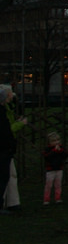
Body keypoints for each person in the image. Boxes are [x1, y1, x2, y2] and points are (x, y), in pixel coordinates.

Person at [0, 84, 27, 214]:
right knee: (6, 174)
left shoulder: (7, 108)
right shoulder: (2, 110)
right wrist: (20, 124)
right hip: (4, 147)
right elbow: (7, 129)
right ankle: (8, 202)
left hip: (7, 146)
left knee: (10, 174)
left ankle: (12, 202)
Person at [43, 131, 68, 204]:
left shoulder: (61, 148)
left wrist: (60, 151)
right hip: (50, 169)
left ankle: (58, 198)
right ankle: (46, 199)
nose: (56, 142)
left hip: (59, 168)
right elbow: (47, 157)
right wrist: (54, 151)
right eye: (54, 141)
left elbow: (66, 155)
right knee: (49, 185)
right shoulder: (48, 149)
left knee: (58, 184)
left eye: (57, 140)